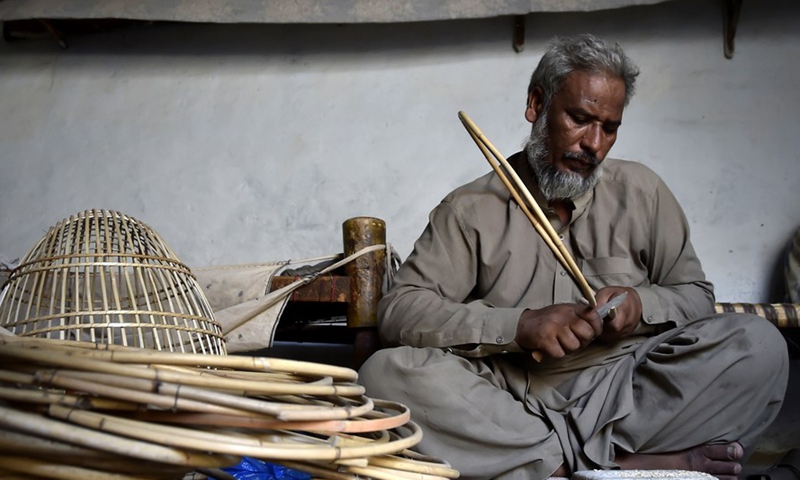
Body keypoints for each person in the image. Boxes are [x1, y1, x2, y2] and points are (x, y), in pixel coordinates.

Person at [358, 34, 789, 480]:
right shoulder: (470, 209)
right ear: (536, 104)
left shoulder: (643, 192)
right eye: (580, 119)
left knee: (759, 348)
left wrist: (641, 307)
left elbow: (696, 297)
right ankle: (616, 466)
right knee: (385, 374)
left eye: (610, 127)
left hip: (628, 388)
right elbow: (400, 309)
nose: (594, 144)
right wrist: (520, 326)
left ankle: (553, 465)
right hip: (513, 394)